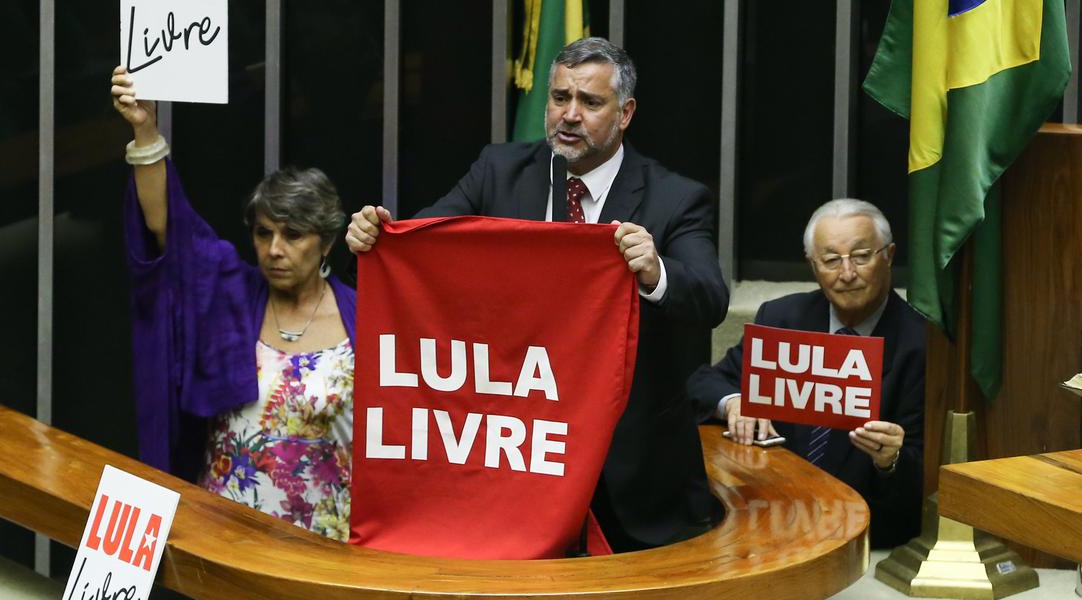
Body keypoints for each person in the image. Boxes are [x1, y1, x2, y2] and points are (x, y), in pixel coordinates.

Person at [346, 38, 729, 552]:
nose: (569, 115)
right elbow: (422, 244)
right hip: (516, 459)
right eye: (559, 97)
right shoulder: (499, 170)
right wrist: (378, 236)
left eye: (590, 103)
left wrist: (656, 270)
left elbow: (710, 298)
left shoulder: (675, 197)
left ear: (626, 113)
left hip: (630, 476)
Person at [110, 66, 357, 541]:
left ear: (326, 243)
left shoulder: (365, 321)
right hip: (223, 533)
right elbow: (172, 229)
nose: (275, 249)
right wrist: (145, 130)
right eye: (264, 233)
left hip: (324, 542)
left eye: (293, 235)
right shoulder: (232, 293)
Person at [687, 198, 924, 548]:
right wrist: (735, 401)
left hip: (861, 537)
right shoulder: (783, 319)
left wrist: (891, 460)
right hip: (768, 521)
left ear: (888, 255)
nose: (846, 273)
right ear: (813, 266)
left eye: (861, 256)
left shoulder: (920, 343)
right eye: (830, 260)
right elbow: (701, 383)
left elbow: (925, 474)